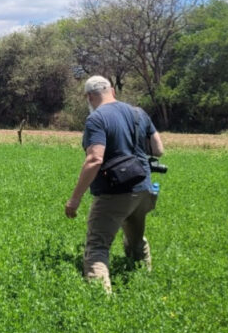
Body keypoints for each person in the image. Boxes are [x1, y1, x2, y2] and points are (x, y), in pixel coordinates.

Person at [65, 75, 165, 294]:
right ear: (113, 91)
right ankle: (145, 281)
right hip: (144, 189)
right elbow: (158, 150)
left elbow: (94, 159)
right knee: (136, 237)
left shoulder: (97, 119)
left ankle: (100, 303)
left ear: (89, 97)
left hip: (114, 192)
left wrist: (75, 198)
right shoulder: (139, 113)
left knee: (98, 246)